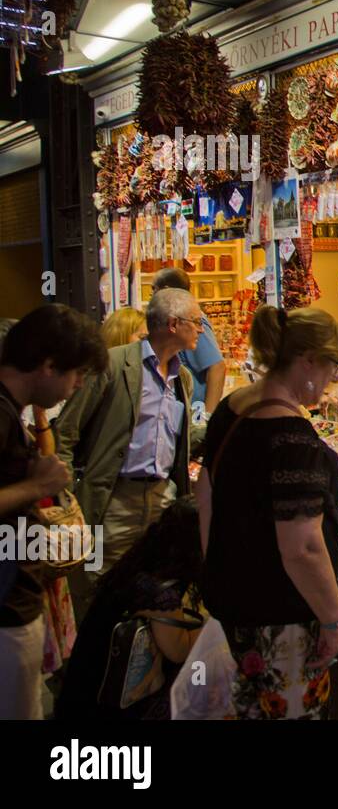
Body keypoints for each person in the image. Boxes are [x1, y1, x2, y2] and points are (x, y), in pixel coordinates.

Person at [197, 306, 338, 719]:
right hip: (282, 620)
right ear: (306, 362)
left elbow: (205, 493)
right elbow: (302, 548)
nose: (329, 383)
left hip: (232, 609)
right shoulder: (292, 441)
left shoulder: (231, 411)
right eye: (331, 369)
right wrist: (334, 619)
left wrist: (217, 572)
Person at [0, 305, 108, 719]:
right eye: (75, 374)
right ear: (47, 365)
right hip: (7, 610)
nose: (76, 386)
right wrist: (36, 487)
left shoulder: (13, 412)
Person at [55, 288, 199, 587]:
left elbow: (178, 437)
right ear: (173, 324)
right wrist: (68, 494)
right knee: (99, 583)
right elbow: (66, 432)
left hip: (160, 499)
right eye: (196, 321)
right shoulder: (113, 364)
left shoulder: (181, 378)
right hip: (113, 501)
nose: (200, 328)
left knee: (154, 587)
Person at [54, 499, 204, 720]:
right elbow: (179, 651)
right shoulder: (159, 592)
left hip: (83, 687)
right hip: (108, 704)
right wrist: (207, 626)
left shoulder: (140, 564)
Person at [151, 268, 227, 416]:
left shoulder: (190, 322)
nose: (151, 295)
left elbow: (217, 367)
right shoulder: (176, 321)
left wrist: (205, 418)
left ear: (165, 290)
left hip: (194, 412)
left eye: (154, 289)